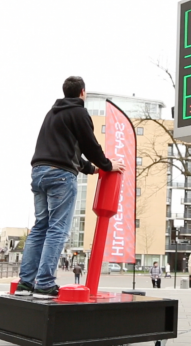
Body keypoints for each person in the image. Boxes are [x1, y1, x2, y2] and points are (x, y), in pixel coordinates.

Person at [15, 76, 126, 299]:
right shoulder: (79, 112)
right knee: (57, 229)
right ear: (82, 93)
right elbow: (89, 144)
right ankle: (44, 284)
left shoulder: (52, 113)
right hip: (60, 176)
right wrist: (106, 165)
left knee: (40, 228)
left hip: (39, 172)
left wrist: (91, 169)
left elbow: (68, 150)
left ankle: (25, 284)